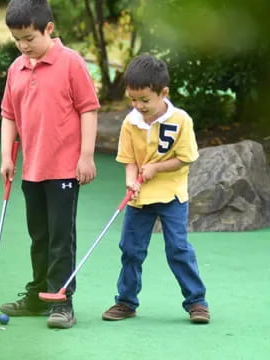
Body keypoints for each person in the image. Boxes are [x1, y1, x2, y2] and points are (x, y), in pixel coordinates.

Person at [0, 0, 100, 329]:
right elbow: (8, 115)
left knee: (60, 238)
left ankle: (61, 300)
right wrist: (5, 157)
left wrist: (86, 156)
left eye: (29, 38)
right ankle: (38, 295)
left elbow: (88, 109)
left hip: (65, 170)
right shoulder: (17, 68)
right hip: (32, 170)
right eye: (17, 39)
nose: (24, 46)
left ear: (49, 29)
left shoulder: (70, 63)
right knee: (39, 237)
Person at [102, 54, 210, 324]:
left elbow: (186, 158)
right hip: (140, 197)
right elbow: (128, 160)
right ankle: (126, 302)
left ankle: (196, 302)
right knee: (130, 249)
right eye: (132, 99)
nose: (138, 106)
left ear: (164, 93)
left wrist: (155, 168)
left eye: (144, 100)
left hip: (172, 195)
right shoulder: (130, 123)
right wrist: (131, 180)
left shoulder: (181, 120)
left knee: (178, 248)